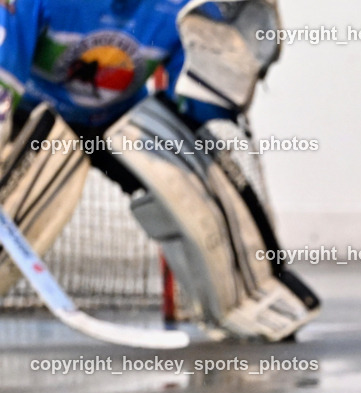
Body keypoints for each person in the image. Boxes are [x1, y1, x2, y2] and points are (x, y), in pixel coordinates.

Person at [0, 0, 318, 341]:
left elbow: (194, 107)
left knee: (201, 180)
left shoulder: (185, 7)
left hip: (118, 120)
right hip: (36, 115)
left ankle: (247, 295)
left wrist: (225, 74)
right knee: (18, 200)